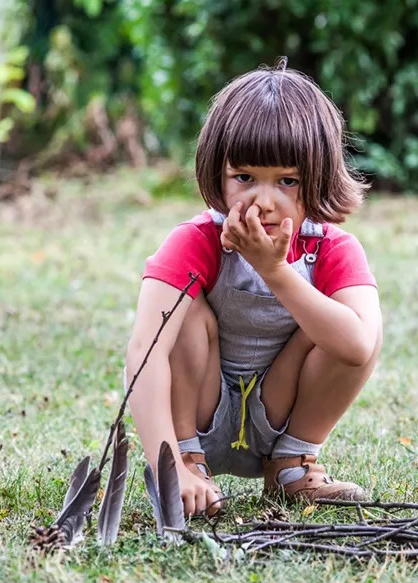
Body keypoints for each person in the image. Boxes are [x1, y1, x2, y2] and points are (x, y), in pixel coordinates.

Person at [124, 59, 382, 517]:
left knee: (346, 323)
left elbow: (358, 346)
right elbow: (144, 356)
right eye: (245, 178)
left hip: (282, 412)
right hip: (200, 413)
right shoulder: (195, 242)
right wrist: (167, 466)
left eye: (287, 181)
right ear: (217, 173)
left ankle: (291, 467)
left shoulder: (332, 249)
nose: (264, 201)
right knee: (184, 315)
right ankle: (189, 465)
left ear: (317, 178)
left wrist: (275, 271)